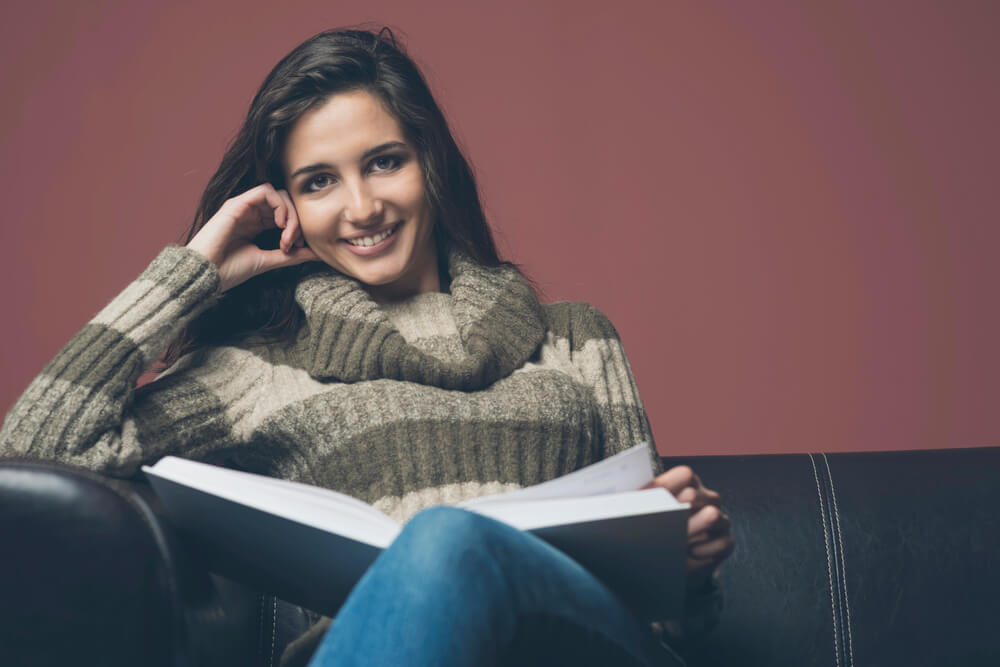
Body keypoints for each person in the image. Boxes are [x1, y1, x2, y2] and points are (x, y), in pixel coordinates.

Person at [0, 27, 733, 666]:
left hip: (584, 650)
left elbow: (674, 623)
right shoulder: (255, 368)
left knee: (448, 540)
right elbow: (30, 457)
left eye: (384, 161)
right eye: (320, 181)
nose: (362, 207)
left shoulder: (577, 335)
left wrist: (688, 561)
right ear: (283, 205)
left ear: (430, 163)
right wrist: (192, 271)